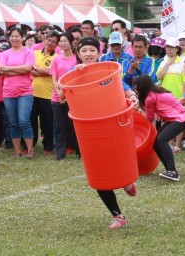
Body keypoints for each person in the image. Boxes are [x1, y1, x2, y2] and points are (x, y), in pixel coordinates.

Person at [67, 37, 139, 229]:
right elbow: (62, 94)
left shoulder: (107, 70)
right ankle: (118, 215)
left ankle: (127, 181)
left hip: (113, 126)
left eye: (92, 50)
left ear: (98, 53)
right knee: (99, 173)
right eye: (84, 51)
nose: (88, 54)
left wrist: (132, 95)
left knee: (119, 159)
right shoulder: (73, 74)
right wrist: (77, 74)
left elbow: (122, 86)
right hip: (90, 129)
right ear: (78, 54)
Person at [134, 74, 185, 181]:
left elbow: (149, 119)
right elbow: (166, 104)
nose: (136, 92)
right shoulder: (157, 91)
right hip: (175, 118)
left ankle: (172, 172)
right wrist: (160, 113)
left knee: (162, 139)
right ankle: (169, 169)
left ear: (143, 88)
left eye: (137, 90)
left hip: (181, 119)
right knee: (156, 144)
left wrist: (139, 110)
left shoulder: (150, 98)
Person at [0, 27, 36, 158]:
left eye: (17, 36)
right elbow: (1, 70)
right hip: (9, 92)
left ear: (23, 38)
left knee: (24, 120)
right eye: (12, 36)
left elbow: (28, 68)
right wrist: (19, 69)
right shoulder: (5, 53)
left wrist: (9, 69)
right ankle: (17, 151)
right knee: (13, 122)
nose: (14, 38)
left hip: (25, 91)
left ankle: (30, 150)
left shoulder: (28, 52)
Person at [50, 32, 79, 160]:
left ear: (71, 42)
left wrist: (66, 97)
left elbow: (77, 80)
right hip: (57, 98)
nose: (62, 43)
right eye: (60, 41)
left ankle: (79, 151)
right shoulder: (56, 59)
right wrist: (59, 94)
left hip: (72, 97)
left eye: (65, 41)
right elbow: (54, 78)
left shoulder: (77, 59)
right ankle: (60, 153)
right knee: (59, 126)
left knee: (73, 126)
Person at [31, 30, 59, 155]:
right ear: (44, 40)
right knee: (31, 121)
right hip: (32, 93)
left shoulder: (57, 57)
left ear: (56, 44)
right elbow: (28, 68)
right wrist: (40, 70)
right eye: (48, 40)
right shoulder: (34, 53)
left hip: (48, 94)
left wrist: (36, 68)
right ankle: (30, 145)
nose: (50, 43)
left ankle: (48, 147)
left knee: (47, 123)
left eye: (53, 41)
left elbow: (51, 71)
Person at [156, 37, 185, 152]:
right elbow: (159, 77)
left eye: (171, 47)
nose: (169, 49)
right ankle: (170, 144)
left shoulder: (183, 61)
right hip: (165, 96)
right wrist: (167, 65)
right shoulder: (164, 61)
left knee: (179, 120)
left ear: (176, 49)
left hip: (178, 95)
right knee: (167, 120)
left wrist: (184, 96)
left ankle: (177, 145)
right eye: (167, 47)